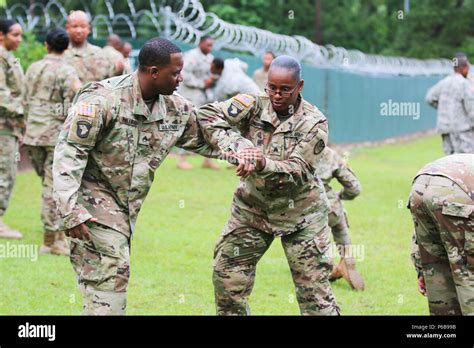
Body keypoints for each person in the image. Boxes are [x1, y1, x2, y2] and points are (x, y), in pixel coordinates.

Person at [52, 37, 252, 315]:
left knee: (107, 283)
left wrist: (243, 153)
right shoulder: (103, 100)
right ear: (153, 72)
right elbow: (69, 153)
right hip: (92, 203)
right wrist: (70, 210)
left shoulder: (175, 108)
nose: (181, 78)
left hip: (126, 210)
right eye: (175, 73)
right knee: (111, 275)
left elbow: (204, 139)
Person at [198, 55, 339, 315]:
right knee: (227, 277)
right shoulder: (252, 103)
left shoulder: (314, 123)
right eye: (272, 87)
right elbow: (207, 115)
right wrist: (239, 146)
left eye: (285, 89)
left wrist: (261, 162)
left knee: (314, 297)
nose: (277, 94)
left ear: (300, 86)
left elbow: (298, 170)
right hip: (253, 210)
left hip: (301, 216)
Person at [23, 28, 82, 256]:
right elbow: (75, 101)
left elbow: (26, 98)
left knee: (47, 185)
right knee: (52, 187)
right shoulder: (68, 71)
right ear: (66, 47)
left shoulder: (33, 67)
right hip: (54, 136)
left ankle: (55, 236)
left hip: (33, 134)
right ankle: (51, 241)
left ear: (46, 45)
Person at [409, 154, 473, 315]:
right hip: (457, 192)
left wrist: (422, 268)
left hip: (420, 185)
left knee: (437, 271)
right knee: (467, 273)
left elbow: (420, 236)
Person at [317, 147, 364, 290]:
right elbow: (354, 188)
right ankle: (346, 257)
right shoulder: (330, 155)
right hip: (332, 208)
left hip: (307, 210)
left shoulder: (293, 151)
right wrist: (340, 196)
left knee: (309, 243)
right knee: (338, 216)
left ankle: (324, 268)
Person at [177, 35, 220, 170]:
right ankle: (181, 159)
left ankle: (207, 159)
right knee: (189, 126)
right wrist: (202, 83)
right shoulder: (191, 56)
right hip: (190, 97)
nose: (210, 48)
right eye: (208, 45)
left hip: (204, 97)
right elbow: (184, 75)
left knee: (208, 125)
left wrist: (212, 79)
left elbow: (212, 74)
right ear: (200, 43)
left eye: (211, 45)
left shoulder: (210, 59)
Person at [0, 19, 24, 240]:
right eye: (15, 35)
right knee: (4, 174)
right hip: (3, 127)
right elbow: (1, 95)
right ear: (1, 35)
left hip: (9, 126)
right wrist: (24, 113)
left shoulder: (8, 57)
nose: (18, 39)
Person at [426, 53, 474, 154]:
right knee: (467, 162)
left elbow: (429, 98)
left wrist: (443, 108)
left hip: (446, 129)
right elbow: (471, 109)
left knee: (449, 163)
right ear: (463, 68)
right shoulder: (464, 83)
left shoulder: (444, 82)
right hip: (463, 130)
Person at [64, 10, 116, 83]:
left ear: (89, 29)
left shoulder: (99, 53)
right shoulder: (61, 54)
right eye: (74, 26)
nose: (79, 31)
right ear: (67, 28)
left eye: (83, 26)